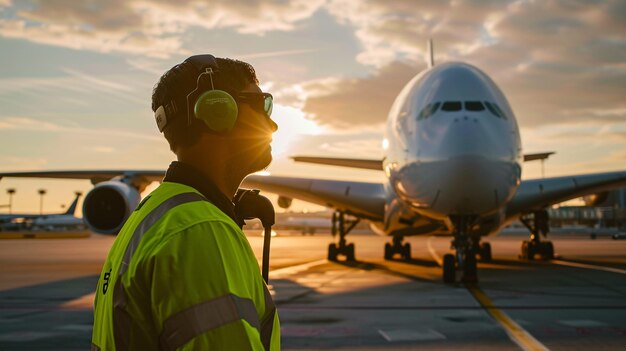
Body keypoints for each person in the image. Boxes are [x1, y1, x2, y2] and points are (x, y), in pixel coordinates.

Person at [91, 54, 280, 350]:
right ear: (218, 112)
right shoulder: (200, 230)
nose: (273, 124)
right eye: (262, 104)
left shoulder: (153, 213)